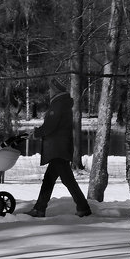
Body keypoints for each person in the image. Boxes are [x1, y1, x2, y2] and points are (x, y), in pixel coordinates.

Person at [28, 78, 92, 218]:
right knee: (52, 179)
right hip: (60, 147)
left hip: (58, 148)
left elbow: (51, 125)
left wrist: (37, 133)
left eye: (51, 89)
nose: (49, 91)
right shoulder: (61, 103)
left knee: (63, 180)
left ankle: (82, 207)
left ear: (55, 90)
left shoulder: (58, 104)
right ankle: (40, 208)